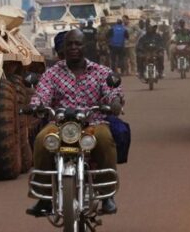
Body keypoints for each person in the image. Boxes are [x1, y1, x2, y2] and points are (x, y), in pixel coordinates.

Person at [25, 29, 123, 216]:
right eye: (69, 44)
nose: (73, 48)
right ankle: (44, 197)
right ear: (63, 48)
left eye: (78, 44)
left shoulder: (101, 72)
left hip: (93, 123)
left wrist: (114, 102)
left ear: (85, 47)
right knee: (42, 139)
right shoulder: (52, 73)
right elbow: (42, 94)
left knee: (104, 139)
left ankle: (106, 195)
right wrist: (36, 105)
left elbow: (112, 92)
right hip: (61, 124)